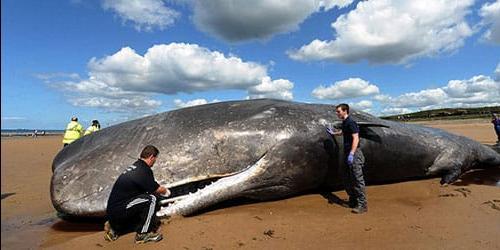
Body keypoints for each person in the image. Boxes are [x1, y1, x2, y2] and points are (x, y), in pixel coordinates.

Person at [105, 145, 171, 244]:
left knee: (143, 199)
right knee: (151, 199)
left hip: (113, 212)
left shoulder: (135, 166)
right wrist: (168, 192)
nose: (155, 161)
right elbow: (157, 189)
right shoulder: (143, 170)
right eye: (155, 159)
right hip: (119, 211)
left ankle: (115, 228)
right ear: (152, 157)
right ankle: (143, 234)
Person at [327, 103, 367, 214]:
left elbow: (355, 138)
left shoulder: (351, 122)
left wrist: (352, 153)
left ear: (345, 111)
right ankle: (353, 200)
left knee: (357, 179)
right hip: (347, 153)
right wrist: (334, 133)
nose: (337, 113)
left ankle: (362, 204)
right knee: (346, 177)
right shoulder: (345, 123)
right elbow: (344, 132)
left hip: (354, 154)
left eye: (338, 111)